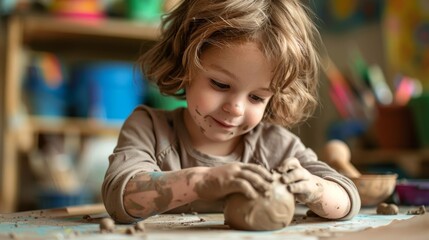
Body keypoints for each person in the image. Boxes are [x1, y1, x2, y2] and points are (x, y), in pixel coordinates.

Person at [102, 0, 360, 224]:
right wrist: (205, 181)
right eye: (220, 84)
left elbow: (348, 198)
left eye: (257, 97)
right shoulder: (149, 129)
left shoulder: (274, 147)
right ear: (186, 63)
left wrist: (315, 189)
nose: (236, 108)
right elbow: (119, 197)